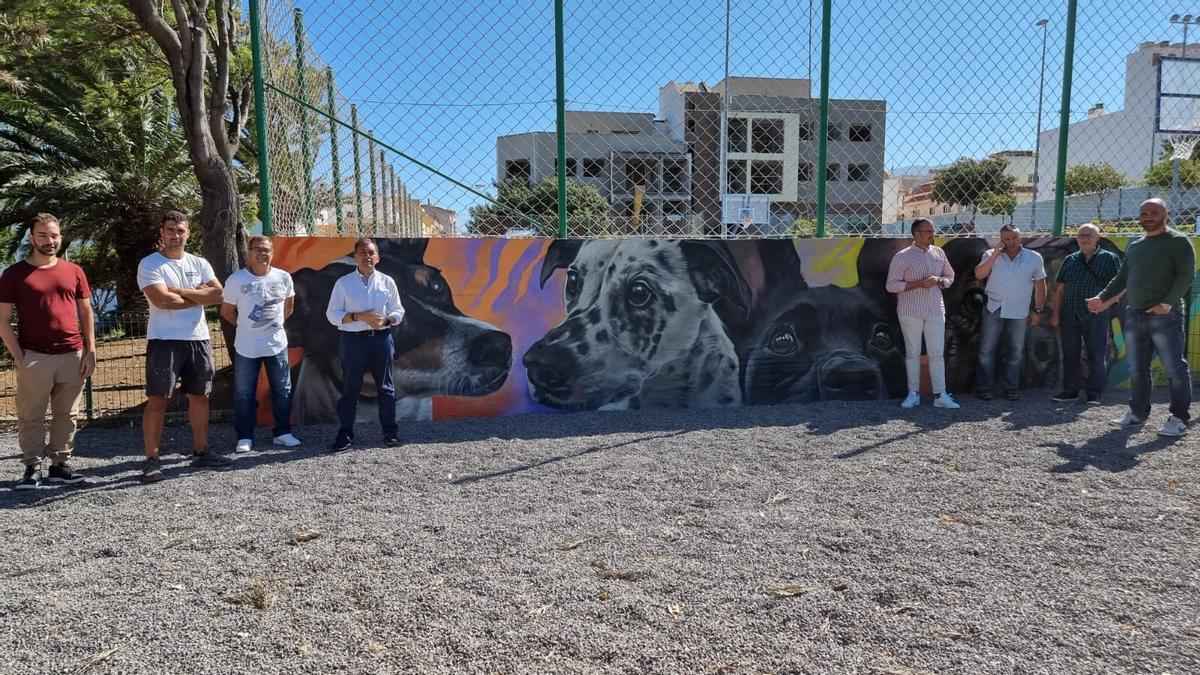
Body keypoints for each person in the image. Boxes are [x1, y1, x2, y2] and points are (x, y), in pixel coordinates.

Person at [0, 214, 96, 489]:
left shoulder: (74, 270)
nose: (49, 240)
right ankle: (32, 468)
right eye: (42, 235)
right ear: (31, 238)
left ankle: (60, 465)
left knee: (68, 414)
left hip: (73, 355)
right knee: (31, 415)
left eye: (54, 235)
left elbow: (85, 310)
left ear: (61, 237)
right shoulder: (14, 274)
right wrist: (20, 357)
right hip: (35, 357)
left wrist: (91, 350)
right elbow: (3, 320)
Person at [1088, 198, 1195, 437]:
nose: (1148, 216)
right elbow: (1122, 277)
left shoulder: (1178, 241)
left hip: (1166, 316)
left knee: (1174, 369)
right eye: (1144, 213)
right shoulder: (1135, 243)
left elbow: (1186, 276)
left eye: (1153, 212)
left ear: (1166, 213)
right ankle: (1137, 413)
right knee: (1137, 368)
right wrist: (1101, 298)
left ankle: (1178, 417)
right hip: (1135, 314)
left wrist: (1166, 304)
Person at [137, 211, 231, 482]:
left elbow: (220, 294)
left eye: (180, 230)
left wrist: (179, 291)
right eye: (170, 230)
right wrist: (199, 296)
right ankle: (152, 459)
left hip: (197, 339)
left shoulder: (199, 263)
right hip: (164, 340)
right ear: (162, 233)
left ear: (188, 233)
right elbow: (161, 301)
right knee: (158, 399)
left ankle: (201, 452)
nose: (175, 235)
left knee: (200, 397)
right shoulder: (150, 264)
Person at [220, 236, 301, 454]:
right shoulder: (236, 280)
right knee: (244, 393)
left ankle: (283, 433)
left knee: (282, 389)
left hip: (276, 345)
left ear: (272, 253)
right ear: (248, 252)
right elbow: (227, 311)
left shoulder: (283, 278)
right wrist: (246, 327)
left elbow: (289, 308)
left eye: (266, 250)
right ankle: (245, 436)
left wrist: (271, 327)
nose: (262, 254)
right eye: (257, 250)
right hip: (247, 346)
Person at [324, 237, 405, 452]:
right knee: (350, 389)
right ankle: (345, 435)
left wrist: (386, 320)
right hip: (353, 342)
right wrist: (358, 316)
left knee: (386, 388)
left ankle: (390, 432)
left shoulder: (387, 282)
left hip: (381, 339)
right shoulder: (343, 283)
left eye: (371, 253)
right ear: (355, 257)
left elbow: (398, 311)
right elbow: (332, 314)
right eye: (362, 253)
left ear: (377, 257)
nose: (367, 256)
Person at [885, 218, 959, 409]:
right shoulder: (902, 257)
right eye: (928, 231)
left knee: (936, 353)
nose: (931, 235)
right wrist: (917, 283)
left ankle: (940, 395)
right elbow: (891, 285)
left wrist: (940, 281)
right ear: (916, 234)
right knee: (913, 353)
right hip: (910, 311)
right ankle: (913, 394)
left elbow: (950, 277)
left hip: (935, 309)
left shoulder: (939, 253)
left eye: (932, 231)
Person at [973, 224, 1047, 401]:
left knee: (1015, 352)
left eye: (1014, 238)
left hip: (1019, 310)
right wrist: (996, 254)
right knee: (986, 350)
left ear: (1020, 237)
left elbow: (1040, 286)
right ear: (1001, 239)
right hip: (994, 308)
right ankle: (984, 387)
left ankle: (1011, 388)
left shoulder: (1034, 257)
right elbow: (979, 274)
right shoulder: (990, 255)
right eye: (1007, 239)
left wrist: (1038, 309)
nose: (1011, 242)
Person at [1049, 224, 1121, 405]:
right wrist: (1055, 314)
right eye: (1081, 235)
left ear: (1098, 237)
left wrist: (1105, 305)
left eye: (1089, 235)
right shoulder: (1070, 260)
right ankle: (1070, 391)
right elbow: (1060, 289)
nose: (1085, 238)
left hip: (1096, 314)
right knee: (1070, 355)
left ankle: (1094, 394)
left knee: (1096, 355)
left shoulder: (1109, 259)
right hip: (1069, 313)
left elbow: (1118, 287)